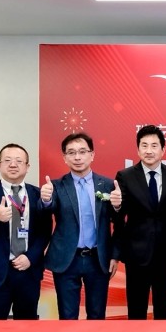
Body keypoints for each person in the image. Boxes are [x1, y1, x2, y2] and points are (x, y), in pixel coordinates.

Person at [39, 133, 122, 320]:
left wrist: (115, 255)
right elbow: (46, 211)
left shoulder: (108, 185)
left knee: (97, 315)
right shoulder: (56, 186)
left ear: (92, 155)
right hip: (67, 260)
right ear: (64, 157)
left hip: (98, 259)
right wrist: (45, 200)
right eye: (71, 152)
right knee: (67, 317)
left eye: (82, 152)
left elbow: (119, 223)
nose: (77, 157)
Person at [114, 125, 166, 320]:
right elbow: (119, 217)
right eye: (144, 145)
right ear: (138, 149)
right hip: (136, 254)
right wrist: (116, 206)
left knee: (163, 311)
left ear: (163, 150)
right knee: (136, 311)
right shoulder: (125, 176)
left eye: (154, 146)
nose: (149, 150)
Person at [0, 143, 51, 319]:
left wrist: (31, 257)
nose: (13, 164)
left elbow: (45, 232)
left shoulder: (38, 195)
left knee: (27, 327)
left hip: (27, 272)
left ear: (27, 167)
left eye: (19, 161)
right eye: (7, 160)